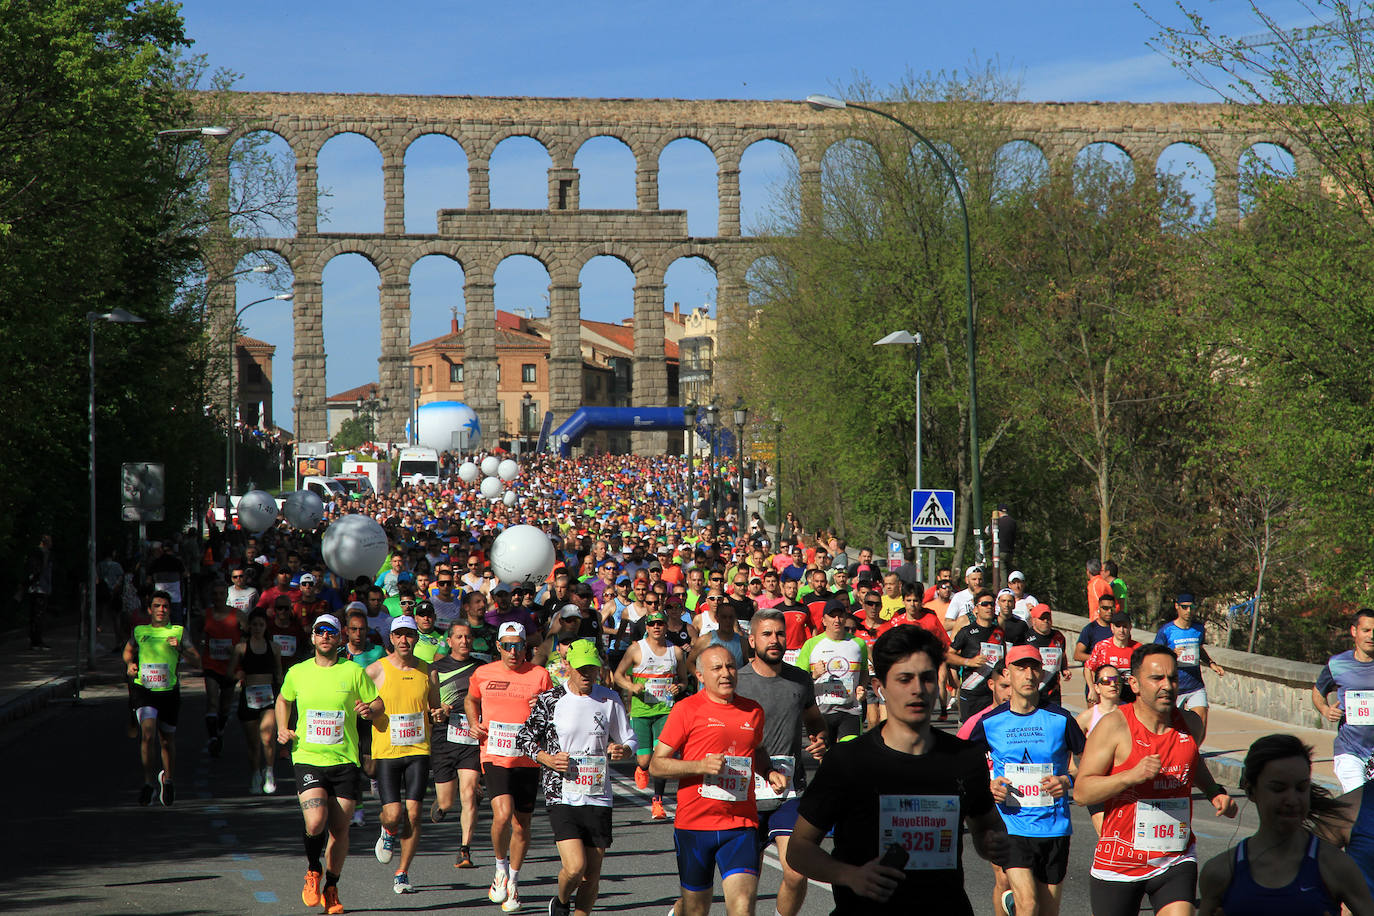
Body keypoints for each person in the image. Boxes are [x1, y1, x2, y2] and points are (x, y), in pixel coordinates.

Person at [786, 625, 1007, 915]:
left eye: (927, 679)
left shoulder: (964, 757)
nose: (918, 689)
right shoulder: (848, 760)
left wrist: (993, 842)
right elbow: (799, 848)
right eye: (904, 679)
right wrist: (849, 876)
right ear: (880, 688)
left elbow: (985, 827)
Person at [1074, 644, 1237, 916]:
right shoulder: (1113, 726)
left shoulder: (1190, 724)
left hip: (1175, 856)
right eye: (1157, 678)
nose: (1167, 685)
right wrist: (1130, 775)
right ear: (1135, 684)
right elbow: (1082, 792)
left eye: (1173, 678)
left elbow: (1191, 760)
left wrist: (1213, 791)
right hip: (1120, 861)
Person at [651, 644, 787, 916]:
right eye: (717, 668)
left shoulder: (753, 711)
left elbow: (756, 749)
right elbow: (656, 764)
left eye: (731, 666)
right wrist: (699, 765)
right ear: (700, 676)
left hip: (740, 823)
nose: (726, 673)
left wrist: (768, 772)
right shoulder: (686, 709)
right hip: (694, 824)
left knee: (742, 907)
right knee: (696, 909)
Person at [516, 639, 636, 916]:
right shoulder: (551, 700)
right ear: (567, 666)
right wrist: (546, 758)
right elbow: (524, 738)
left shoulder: (609, 699)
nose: (586, 674)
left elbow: (628, 737)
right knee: (574, 867)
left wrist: (623, 749)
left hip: (598, 793)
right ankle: (560, 900)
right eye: (581, 668)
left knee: (591, 876)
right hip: (562, 791)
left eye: (592, 668)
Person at [275, 613, 382, 915]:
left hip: (344, 760)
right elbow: (283, 700)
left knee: (339, 829)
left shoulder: (353, 671)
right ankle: (313, 870)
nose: (325, 636)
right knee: (315, 821)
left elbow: (377, 704)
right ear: (312, 638)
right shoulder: (298, 672)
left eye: (331, 632)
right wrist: (283, 728)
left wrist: (367, 710)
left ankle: (332, 887)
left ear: (340, 638)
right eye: (320, 631)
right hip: (307, 757)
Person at [1198, 733, 1374, 915]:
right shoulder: (1221, 872)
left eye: (1301, 788)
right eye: (1278, 789)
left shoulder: (1334, 867)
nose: (1292, 799)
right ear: (1250, 790)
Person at [968, 645, 1085, 916]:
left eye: (1034, 668)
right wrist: (988, 786)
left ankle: (1012, 904)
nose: (1029, 674)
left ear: (1042, 672)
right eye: (1021, 668)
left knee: (1047, 911)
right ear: (1007, 674)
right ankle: (1016, 903)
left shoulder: (1060, 718)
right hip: (1011, 827)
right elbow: (960, 764)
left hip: (1054, 828)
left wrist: (1066, 780)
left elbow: (1089, 764)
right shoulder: (989, 722)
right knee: (1028, 905)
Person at [734, 608, 828, 916]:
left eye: (780, 634)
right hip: (744, 794)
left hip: (789, 790)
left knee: (796, 871)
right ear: (752, 640)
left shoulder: (800, 680)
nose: (775, 640)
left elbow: (814, 721)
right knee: (746, 886)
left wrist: (820, 738)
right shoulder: (735, 681)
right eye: (767, 634)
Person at [466, 621, 554, 913]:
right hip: (495, 754)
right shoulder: (483, 673)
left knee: (521, 824)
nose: (514, 652)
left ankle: (514, 882)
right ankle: (500, 868)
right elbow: (471, 698)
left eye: (520, 646)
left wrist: (541, 702)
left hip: (528, 757)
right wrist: (473, 721)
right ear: (499, 647)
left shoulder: (540, 675)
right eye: (509, 646)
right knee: (502, 815)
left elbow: (553, 710)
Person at [365, 615, 439, 895]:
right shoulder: (375, 670)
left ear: (416, 638)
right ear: (392, 639)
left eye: (410, 634)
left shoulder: (428, 671)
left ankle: (403, 872)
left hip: (419, 749)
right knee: (393, 814)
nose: (405, 640)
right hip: (387, 751)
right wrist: (367, 711)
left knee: (415, 813)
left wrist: (440, 712)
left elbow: (434, 708)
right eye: (399, 635)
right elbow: (363, 705)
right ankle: (388, 831)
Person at [124, 590, 202, 806]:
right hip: (144, 690)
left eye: (165, 606)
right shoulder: (140, 631)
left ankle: (168, 779)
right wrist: (130, 664)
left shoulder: (178, 632)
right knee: (147, 735)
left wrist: (181, 651)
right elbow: (128, 651)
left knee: (166, 741)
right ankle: (148, 783)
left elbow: (197, 660)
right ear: (150, 609)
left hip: (168, 693)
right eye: (157, 606)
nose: (161, 610)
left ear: (170, 609)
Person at [613, 606, 689, 820]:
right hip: (641, 710)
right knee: (646, 760)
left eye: (660, 623)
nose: (656, 627)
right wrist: (631, 687)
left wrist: (679, 688)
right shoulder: (637, 649)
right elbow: (618, 675)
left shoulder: (676, 652)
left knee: (661, 757)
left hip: (665, 711)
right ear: (646, 627)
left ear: (666, 626)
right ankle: (642, 768)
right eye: (652, 624)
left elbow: (683, 680)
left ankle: (658, 801)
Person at [428, 619, 483, 869]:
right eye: (459, 637)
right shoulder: (435, 669)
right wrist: (438, 711)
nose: (464, 641)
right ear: (449, 641)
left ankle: (465, 850)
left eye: (468, 637)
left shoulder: (482, 669)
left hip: (470, 737)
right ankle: (441, 805)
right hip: (443, 736)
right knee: (448, 802)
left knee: (469, 793)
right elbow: (428, 705)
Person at [1314, 608, 1374, 792]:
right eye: (1366, 630)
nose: (1371, 636)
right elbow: (1318, 692)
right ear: (1354, 631)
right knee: (1359, 800)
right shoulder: (1337, 664)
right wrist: (1325, 710)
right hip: (1350, 750)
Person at [1151, 593, 1224, 744]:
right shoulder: (1166, 631)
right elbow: (1155, 654)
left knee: (1200, 722)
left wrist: (1211, 663)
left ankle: (1194, 753)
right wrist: (1171, 654)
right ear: (1177, 607)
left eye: (1192, 607)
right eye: (1184, 607)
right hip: (1174, 686)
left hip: (1195, 684)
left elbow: (1199, 649)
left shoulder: (1198, 629)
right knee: (1170, 726)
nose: (1188, 611)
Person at [796, 601, 869, 746]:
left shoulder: (859, 644)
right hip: (821, 712)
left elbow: (864, 671)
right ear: (823, 620)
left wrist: (862, 687)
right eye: (832, 616)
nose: (837, 620)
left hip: (850, 710)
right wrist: (814, 675)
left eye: (840, 616)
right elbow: (798, 681)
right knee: (826, 759)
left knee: (850, 755)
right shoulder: (811, 645)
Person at [230, 608, 284, 794]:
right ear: (249, 626)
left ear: (265, 626)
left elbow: (279, 672)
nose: (258, 628)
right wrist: (238, 673)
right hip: (249, 698)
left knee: (268, 736)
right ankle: (255, 773)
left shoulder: (274, 647)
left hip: (269, 697)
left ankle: (269, 771)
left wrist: (283, 691)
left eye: (261, 625)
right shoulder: (241, 648)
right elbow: (230, 671)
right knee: (253, 742)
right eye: (254, 625)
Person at [1075, 663, 1123, 835]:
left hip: (1123, 783)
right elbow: (1066, 745)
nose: (1112, 684)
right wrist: (1075, 771)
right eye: (1106, 681)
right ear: (1096, 687)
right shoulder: (1087, 717)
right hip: (1097, 784)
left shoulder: (1131, 713)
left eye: (1116, 680)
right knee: (1106, 834)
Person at [946, 590, 1006, 721]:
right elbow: (948, 656)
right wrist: (969, 662)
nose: (989, 607)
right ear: (976, 608)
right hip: (972, 691)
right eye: (984, 604)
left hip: (993, 692)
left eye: (991, 604)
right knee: (969, 734)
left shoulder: (999, 632)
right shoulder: (966, 632)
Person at [200, 590, 242, 757]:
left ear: (225, 595)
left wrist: (239, 649)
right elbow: (196, 631)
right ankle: (213, 738)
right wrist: (198, 648)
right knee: (212, 700)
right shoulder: (206, 614)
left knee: (225, 706)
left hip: (230, 665)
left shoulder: (237, 614)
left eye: (220, 594)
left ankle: (219, 731)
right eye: (214, 594)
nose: (217, 597)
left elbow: (247, 633)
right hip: (211, 664)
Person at [1074, 591, 1117, 703]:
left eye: (1111, 608)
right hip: (1095, 681)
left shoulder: (1118, 629)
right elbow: (1078, 655)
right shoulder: (1090, 629)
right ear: (1099, 608)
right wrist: (1099, 659)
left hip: (1115, 682)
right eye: (1105, 608)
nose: (1109, 611)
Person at [1025, 604, 1069, 706]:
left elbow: (1062, 655)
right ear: (1034, 620)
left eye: (1048, 618)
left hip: (1053, 691)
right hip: (1034, 689)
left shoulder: (1058, 637)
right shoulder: (1026, 637)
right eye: (1042, 618)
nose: (1046, 621)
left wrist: (1064, 669)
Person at [1087, 612, 1140, 681]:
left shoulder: (1138, 648)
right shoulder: (1102, 647)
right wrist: (1092, 688)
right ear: (1112, 627)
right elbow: (1089, 668)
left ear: (1130, 628)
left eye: (1125, 626)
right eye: (1118, 626)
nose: (1121, 630)